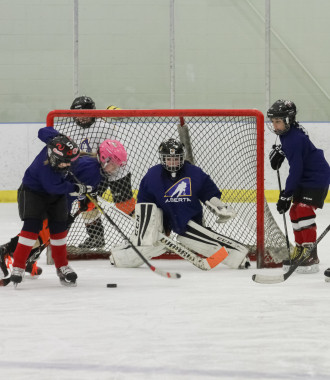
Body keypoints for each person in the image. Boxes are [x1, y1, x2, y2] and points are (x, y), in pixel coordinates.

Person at [1, 128, 128, 284]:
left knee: (52, 234)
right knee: (40, 232)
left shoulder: (86, 164)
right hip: (40, 195)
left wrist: (84, 199)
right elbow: (61, 188)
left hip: (56, 197)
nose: (115, 169)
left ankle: (28, 261)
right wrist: (69, 208)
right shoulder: (87, 169)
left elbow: (74, 187)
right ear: (105, 158)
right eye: (114, 164)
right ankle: (8, 251)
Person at [110, 138, 249, 269]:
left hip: (188, 220)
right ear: (162, 159)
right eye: (169, 159)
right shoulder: (152, 175)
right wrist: (145, 226)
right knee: (151, 241)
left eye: (176, 159)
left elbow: (208, 192)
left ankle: (238, 255)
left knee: (190, 239)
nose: (173, 163)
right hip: (162, 221)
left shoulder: (194, 173)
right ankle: (120, 257)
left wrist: (219, 205)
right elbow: (144, 202)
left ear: (182, 158)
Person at [9, 133, 95, 287]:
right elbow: (54, 186)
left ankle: (62, 266)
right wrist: (77, 188)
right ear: (54, 157)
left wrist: (59, 137)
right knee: (31, 228)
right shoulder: (44, 169)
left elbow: (43, 131)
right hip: (33, 193)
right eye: (64, 163)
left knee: (59, 230)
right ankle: (18, 266)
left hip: (56, 195)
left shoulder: (58, 151)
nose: (67, 165)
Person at [55, 96, 135, 249]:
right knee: (86, 202)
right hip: (94, 171)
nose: (81, 118)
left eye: (85, 114)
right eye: (78, 114)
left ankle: (146, 230)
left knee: (125, 206)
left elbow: (111, 155)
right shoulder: (71, 130)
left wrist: (85, 155)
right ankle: (96, 237)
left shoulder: (104, 127)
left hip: (115, 168)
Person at [267, 99, 330, 274]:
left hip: (316, 177)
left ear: (288, 120)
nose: (275, 125)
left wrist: (287, 194)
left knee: (303, 209)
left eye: (278, 121)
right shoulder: (287, 133)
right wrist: (281, 152)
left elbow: (296, 169)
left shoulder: (294, 138)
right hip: (305, 177)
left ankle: (310, 252)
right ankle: (301, 249)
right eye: (273, 121)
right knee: (295, 211)